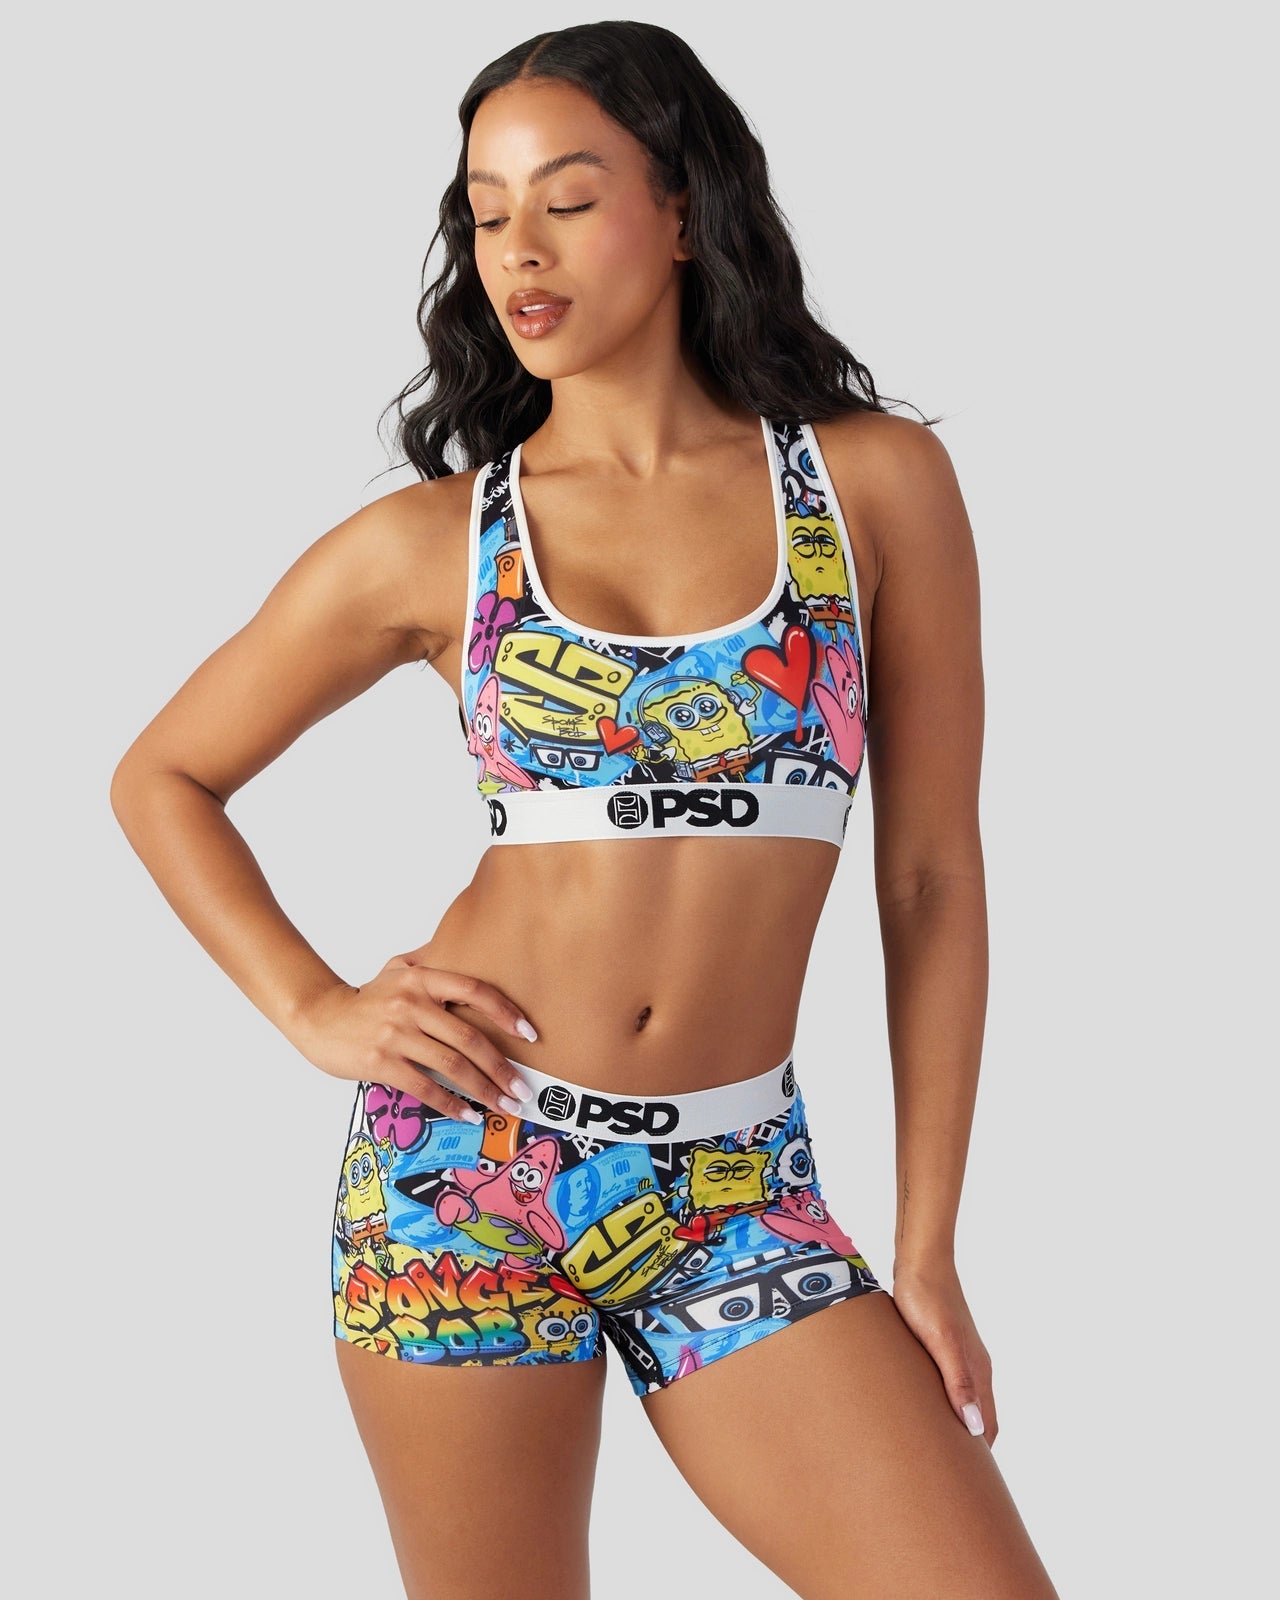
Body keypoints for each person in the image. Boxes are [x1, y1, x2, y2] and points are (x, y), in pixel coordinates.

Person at [110, 20, 1060, 1600]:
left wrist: (928, 1247)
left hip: (738, 1196)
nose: (520, 252)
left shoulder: (871, 487)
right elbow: (163, 776)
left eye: (566, 199)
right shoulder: (439, 540)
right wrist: (315, 1007)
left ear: (683, 208)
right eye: (487, 214)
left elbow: (932, 881)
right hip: (461, 1179)